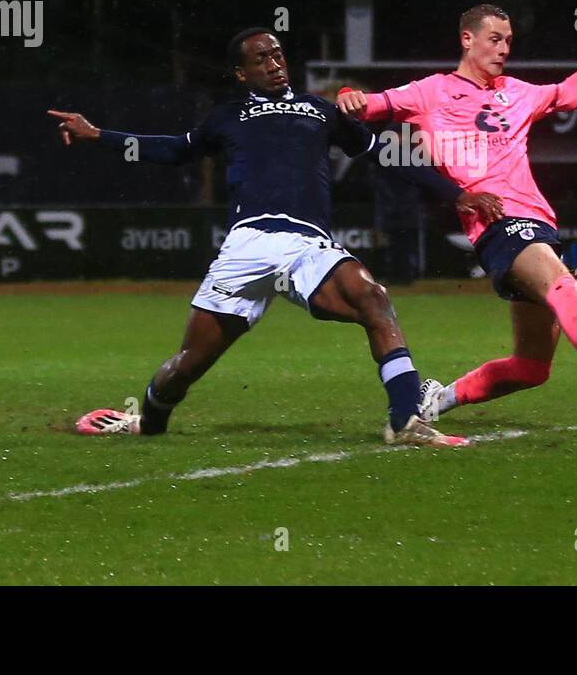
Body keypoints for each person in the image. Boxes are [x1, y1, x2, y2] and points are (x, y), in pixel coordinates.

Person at [50, 27, 503, 446]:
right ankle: (146, 420)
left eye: (277, 54)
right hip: (247, 245)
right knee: (190, 361)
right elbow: (173, 149)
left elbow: (384, 154)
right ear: (241, 72)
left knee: (374, 299)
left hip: (307, 245)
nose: (273, 63)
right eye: (261, 58)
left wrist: (455, 193)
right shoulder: (226, 117)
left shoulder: (320, 110)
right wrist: (98, 136)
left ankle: (404, 420)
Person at [337, 1, 577, 420]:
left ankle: (437, 399)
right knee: (563, 283)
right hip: (498, 224)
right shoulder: (430, 92)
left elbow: (570, 94)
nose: (504, 48)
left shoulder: (518, 92)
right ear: (467, 39)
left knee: (532, 368)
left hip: (538, 226)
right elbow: (367, 105)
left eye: (509, 41)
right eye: (495, 39)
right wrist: (348, 96)